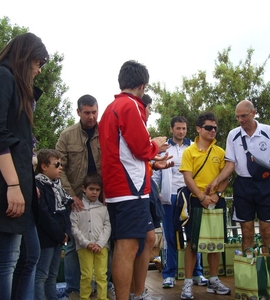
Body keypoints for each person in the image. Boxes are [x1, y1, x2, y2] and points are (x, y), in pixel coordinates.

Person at [0, 32, 48, 300]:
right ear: (25, 57)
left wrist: (28, 185)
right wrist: (13, 185)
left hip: (21, 185)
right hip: (4, 185)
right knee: (6, 259)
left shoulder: (14, 85)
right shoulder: (1, 77)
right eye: (37, 63)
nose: (39, 71)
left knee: (31, 254)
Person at [99, 60, 168, 300]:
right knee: (127, 247)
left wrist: (152, 160)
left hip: (119, 187)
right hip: (130, 189)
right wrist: (156, 145)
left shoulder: (111, 108)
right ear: (142, 85)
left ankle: (136, 294)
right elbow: (140, 147)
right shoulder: (130, 106)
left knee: (139, 241)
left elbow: (124, 151)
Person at [56, 94, 115, 300]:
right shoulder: (66, 135)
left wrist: (109, 192)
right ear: (78, 112)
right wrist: (71, 195)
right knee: (74, 244)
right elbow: (59, 168)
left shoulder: (107, 132)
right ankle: (74, 289)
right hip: (76, 196)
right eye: (87, 112)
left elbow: (114, 161)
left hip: (103, 195)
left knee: (105, 242)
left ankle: (104, 288)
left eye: (94, 112)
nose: (91, 117)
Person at [208, 100, 270, 253]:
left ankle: (268, 270)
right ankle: (249, 271)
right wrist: (215, 181)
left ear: (254, 113)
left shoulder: (267, 131)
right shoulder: (233, 134)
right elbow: (230, 164)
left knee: (266, 231)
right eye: (238, 117)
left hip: (265, 184)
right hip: (243, 185)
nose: (241, 120)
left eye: (244, 116)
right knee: (247, 232)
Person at [179, 112, 230, 300]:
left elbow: (226, 176)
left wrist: (218, 194)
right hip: (195, 200)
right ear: (199, 129)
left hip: (216, 201)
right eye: (209, 127)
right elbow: (187, 177)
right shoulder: (189, 152)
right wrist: (201, 196)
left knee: (216, 243)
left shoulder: (221, 152)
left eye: (215, 127)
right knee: (192, 243)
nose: (213, 131)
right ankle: (187, 283)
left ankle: (214, 280)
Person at [152, 116, 208, 289]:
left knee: (194, 235)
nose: (181, 131)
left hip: (189, 198)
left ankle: (197, 273)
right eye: (178, 128)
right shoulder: (163, 148)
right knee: (169, 237)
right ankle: (169, 274)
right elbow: (155, 173)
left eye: (184, 128)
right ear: (171, 129)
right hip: (170, 199)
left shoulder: (194, 147)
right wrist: (159, 194)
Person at [34, 149, 72, 300]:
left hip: (59, 237)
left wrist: (66, 233)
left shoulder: (57, 187)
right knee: (41, 274)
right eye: (57, 164)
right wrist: (59, 234)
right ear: (44, 166)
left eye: (61, 164)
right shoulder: (38, 186)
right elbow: (43, 214)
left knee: (53, 274)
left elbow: (65, 209)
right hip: (46, 238)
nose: (60, 167)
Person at [71, 173, 111, 300]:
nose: (94, 192)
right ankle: (84, 297)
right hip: (84, 247)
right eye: (91, 189)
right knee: (86, 275)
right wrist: (86, 243)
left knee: (101, 274)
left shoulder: (103, 208)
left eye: (97, 190)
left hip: (102, 247)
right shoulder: (77, 207)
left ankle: (102, 297)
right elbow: (74, 227)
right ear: (84, 189)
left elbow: (108, 226)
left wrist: (100, 243)